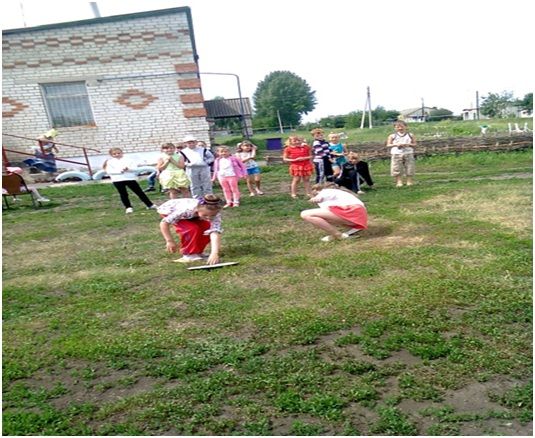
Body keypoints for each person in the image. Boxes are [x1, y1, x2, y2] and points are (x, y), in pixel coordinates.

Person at [157, 194, 224, 264]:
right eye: (205, 215)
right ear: (197, 210)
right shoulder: (185, 210)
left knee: (206, 228)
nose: (209, 218)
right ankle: (188, 255)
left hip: (193, 214)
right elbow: (164, 223)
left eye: (212, 215)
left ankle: (198, 252)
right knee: (191, 229)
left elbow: (214, 232)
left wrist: (214, 253)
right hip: (169, 210)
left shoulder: (215, 214)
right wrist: (169, 241)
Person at [301, 182, 368, 242]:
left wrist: (316, 199)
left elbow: (322, 197)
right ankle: (340, 232)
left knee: (305, 214)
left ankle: (337, 235)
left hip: (352, 212)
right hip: (358, 216)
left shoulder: (326, 192)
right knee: (320, 216)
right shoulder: (339, 194)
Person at [103, 147, 157, 213]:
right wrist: (120, 171)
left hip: (130, 178)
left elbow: (135, 168)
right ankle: (128, 207)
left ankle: (149, 205)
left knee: (139, 192)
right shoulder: (109, 162)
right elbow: (109, 171)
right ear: (111, 155)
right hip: (117, 180)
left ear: (122, 153)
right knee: (123, 194)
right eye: (114, 154)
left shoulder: (128, 160)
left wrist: (129, 169)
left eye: (118, 153)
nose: (117, 155)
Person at [386, 120, 416, 187]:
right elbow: (388, 145)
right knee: (396, 167)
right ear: (395, 128)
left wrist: (408, 144)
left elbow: (414, 144)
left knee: (410, 166)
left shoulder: (410, 135)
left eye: (402, 126)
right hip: (396, 153)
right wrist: (396, 145)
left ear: (406, 127)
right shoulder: (392, 136)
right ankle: (399, 182)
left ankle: (409, 181)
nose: (400, 128)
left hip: (408, 152)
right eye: (397, 127)